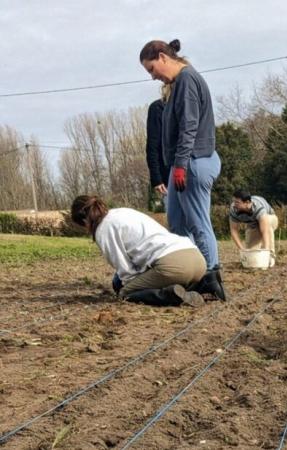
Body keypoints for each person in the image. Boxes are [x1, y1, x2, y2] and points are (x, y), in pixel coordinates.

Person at [140, 38, 225, 301]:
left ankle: (211, 277)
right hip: (182, 164)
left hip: (193, 163)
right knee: (176, 224)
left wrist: (180, 166)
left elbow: (189, 126)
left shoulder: (187, 79)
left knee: (199, 222)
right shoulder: (177, 84)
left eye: (152, 69)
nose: (153, 77)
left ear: (163, 57)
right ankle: (189, 271)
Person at [70, 195, 206, 307]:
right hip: (197, 259)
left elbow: (126, 271)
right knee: (121, 281)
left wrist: (125, 286)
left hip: (174, 266)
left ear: (84, 220)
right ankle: (208, 282)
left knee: (125, 293)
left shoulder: (103, 229)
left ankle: (170, 295)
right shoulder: (122, 212)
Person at [229, 190, 278, 265]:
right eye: (234, 201)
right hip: (253, 225)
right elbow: (234, 230)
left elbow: (264, 231)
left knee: (267, 223)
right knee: (251, 254)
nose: (234, 204)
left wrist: (266, 251)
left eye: (237, 202)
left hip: (270, 219)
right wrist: (242, 250)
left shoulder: (258, 207)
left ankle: (270, 256)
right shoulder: (233, 209)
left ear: (247, 202)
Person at [145, 85, 170, 209]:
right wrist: (156, 177)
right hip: (169, 175)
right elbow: (152, 145)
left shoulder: (189, 107)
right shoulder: (158, 108)